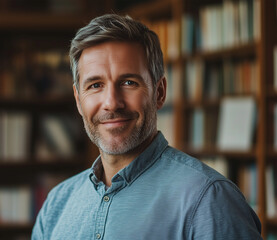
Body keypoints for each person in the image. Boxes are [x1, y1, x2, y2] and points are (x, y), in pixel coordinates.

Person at [32, 14, 262, 239]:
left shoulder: (209, 199)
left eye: (129, 82)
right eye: (95, 85)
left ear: (159, 92)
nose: (112, 102)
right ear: (78, 99)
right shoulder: (56, 204)